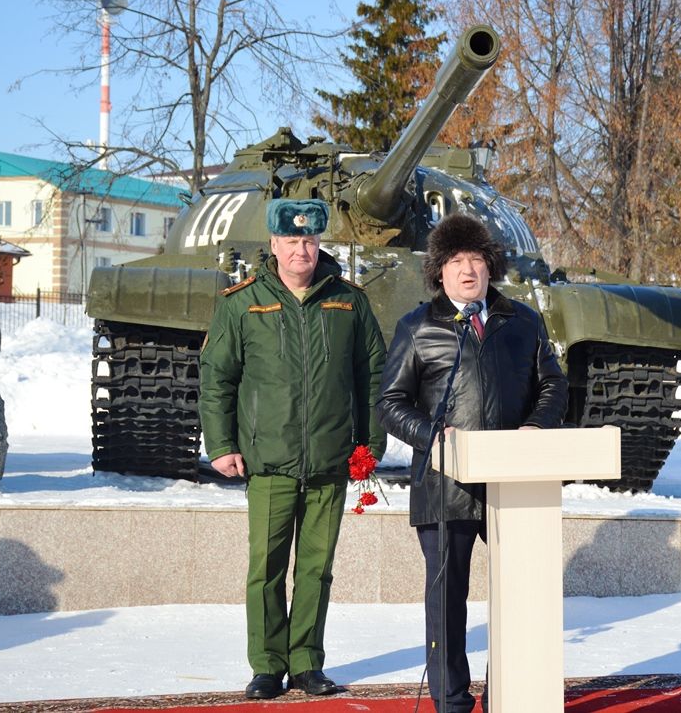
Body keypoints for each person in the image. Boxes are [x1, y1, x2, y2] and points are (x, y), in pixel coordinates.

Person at [377, 213, 569, 712]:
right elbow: (391, 402)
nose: (468, 270)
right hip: (447, 485)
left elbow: (553, 384)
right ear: (439, 271)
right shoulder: (417, 327)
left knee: (520, 599)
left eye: (477, 259)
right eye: (456, 261)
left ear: (491, 266)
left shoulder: (522, 321)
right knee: (447, 604)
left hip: (515, 484)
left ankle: (511, 692)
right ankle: (453, 702)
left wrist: (535, 429)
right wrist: (432, 435)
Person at [199, 198, 387, 700]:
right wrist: (220, 444)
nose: (301, 249)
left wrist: (369, 445)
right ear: (273, 246)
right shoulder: (242, 302)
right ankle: (266, 665)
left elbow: (372, 375)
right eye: (291, 241)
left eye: (308, 240)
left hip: (330, 459)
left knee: (316, 568)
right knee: (266, 568)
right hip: (268, 460)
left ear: (319, 243)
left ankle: (306, 663)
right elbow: (217, 377)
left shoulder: (348, 302)